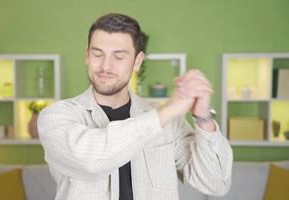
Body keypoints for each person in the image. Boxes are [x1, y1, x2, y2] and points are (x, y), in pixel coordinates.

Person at [38, 13, 233, 200]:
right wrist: (168, 110)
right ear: (87, 56)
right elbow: (90, 160)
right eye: (98, 54)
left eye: (119, 57)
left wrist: (203, 116)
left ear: (137, 61)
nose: (106, 66)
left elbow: (215, 183)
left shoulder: (168, 122)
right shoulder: (56, 117)